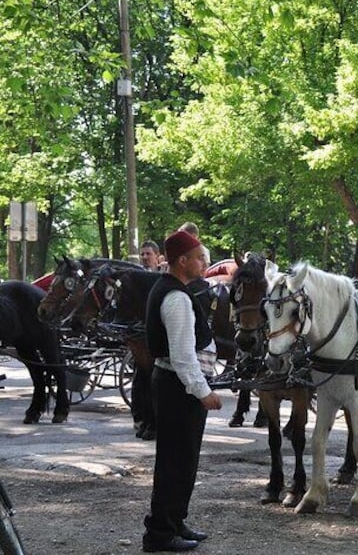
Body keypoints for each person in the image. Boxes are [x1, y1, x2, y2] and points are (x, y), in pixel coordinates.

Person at [142, 230, 222, 553]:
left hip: (178, 386)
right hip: (180, 389)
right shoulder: (175, 297)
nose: (205, 263)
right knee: (175, 461)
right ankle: (160, 533)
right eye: (201, 257)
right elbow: (182, 355)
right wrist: (202, 391)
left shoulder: (173, 290)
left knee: (184, 459)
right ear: (183, 261)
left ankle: (175, 521)